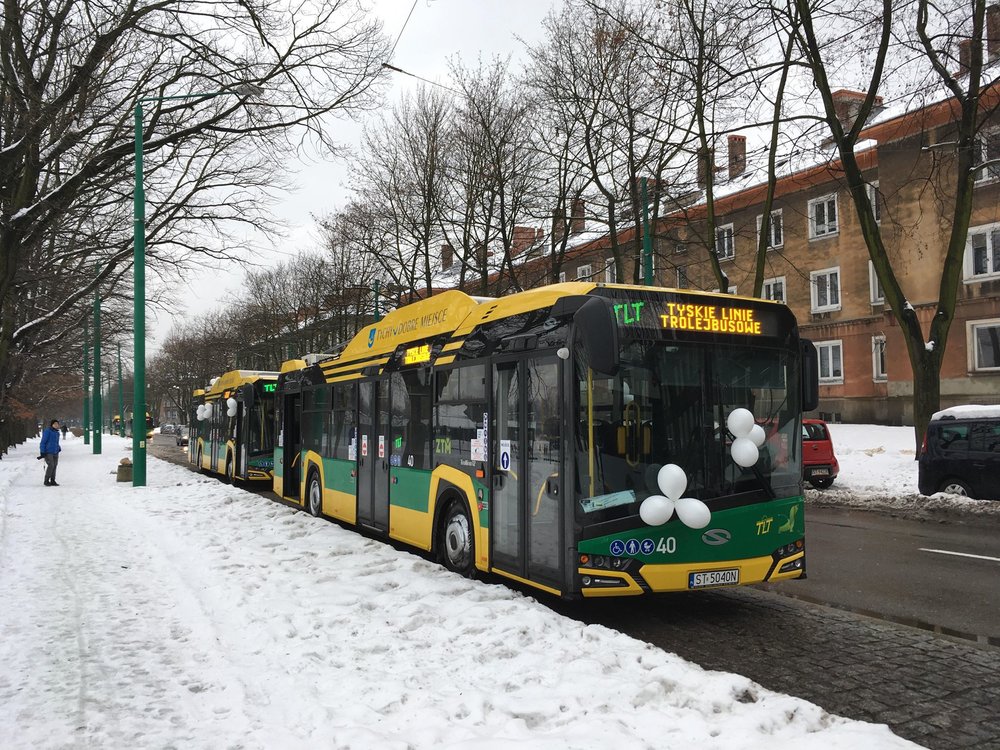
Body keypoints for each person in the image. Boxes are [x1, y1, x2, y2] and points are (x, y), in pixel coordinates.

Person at [39, 419, 62, 486]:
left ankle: (52, 480)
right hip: (48, 452)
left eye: (57, 424)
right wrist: (42, 451)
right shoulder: (47, 431)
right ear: (52, 424)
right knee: (51, 465)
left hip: (55, 451)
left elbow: (56, 442)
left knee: (55, 466)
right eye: (55, 424)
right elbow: (43, 442)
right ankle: (46, 480)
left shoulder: (57, 433)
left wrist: (58, 448)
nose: (56, 425)